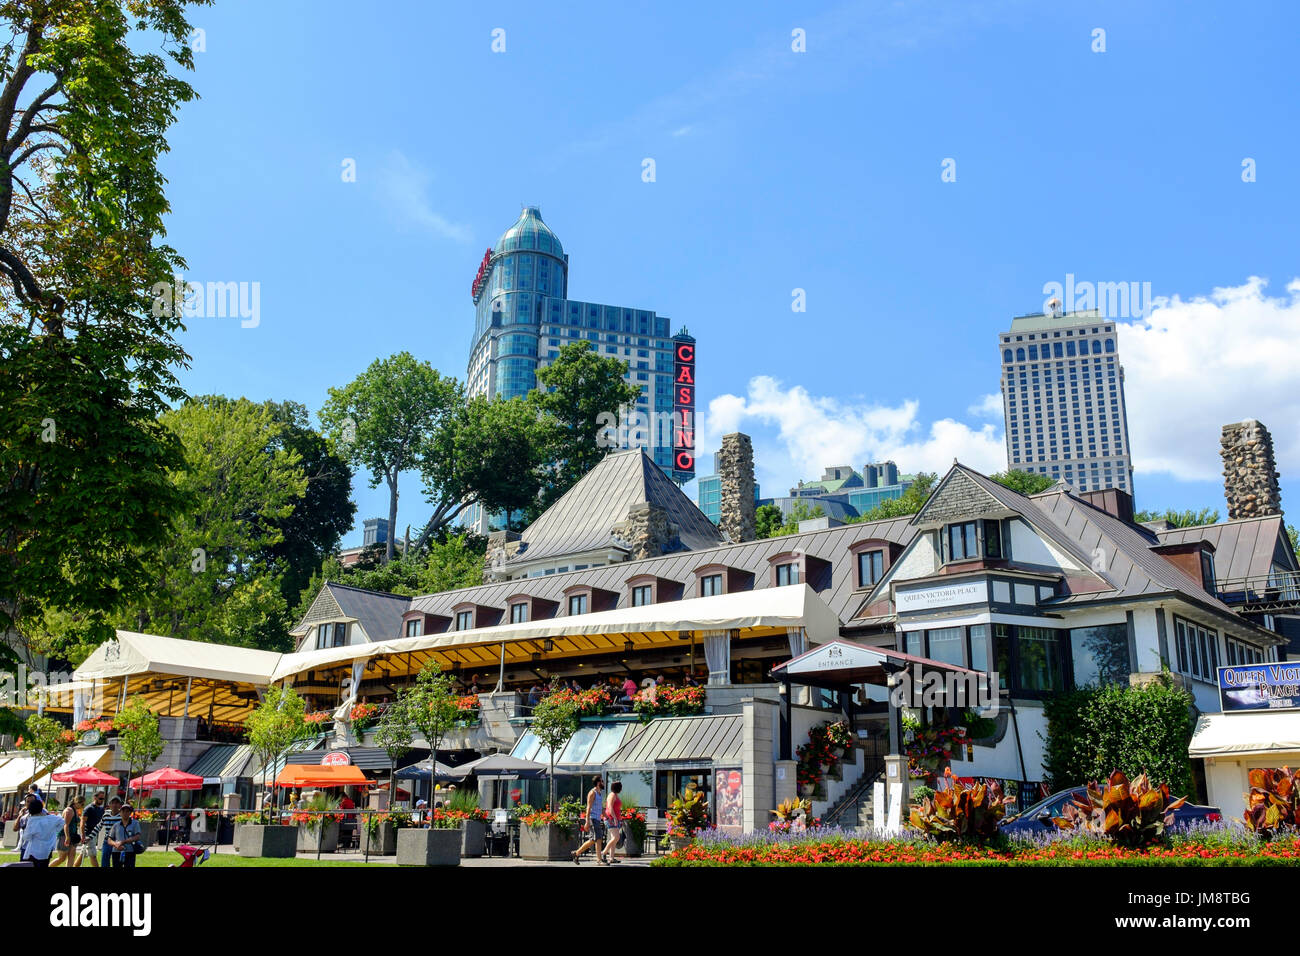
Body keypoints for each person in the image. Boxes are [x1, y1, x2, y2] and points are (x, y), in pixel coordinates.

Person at [17, 797, 63, 868]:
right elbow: (62, 821)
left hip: (33, 851)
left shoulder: (32, 821)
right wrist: (55, 830)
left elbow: (26, 837)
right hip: (47, 850)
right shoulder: (52, 818)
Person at [570, 776, 606, 865]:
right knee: (596, 839)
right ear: (598, 783)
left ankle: (576, 853)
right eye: (602, 781)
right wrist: (587, 821)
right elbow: (588, 807)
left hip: (597, 819)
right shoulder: (592, 793)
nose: (603, 783)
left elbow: (600, 808)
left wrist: (607, 817)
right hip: (593, 819)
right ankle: (598, 860)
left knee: (596, 839)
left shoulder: (599, 793)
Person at [51, 794, 85, 867]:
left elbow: (76, 823)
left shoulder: (75, 811)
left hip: (73, 835)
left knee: (72, 855)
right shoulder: (69, 810)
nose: (82, 806)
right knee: (62, 858)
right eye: (82, 804)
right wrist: (67, 837)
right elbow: (65, 825)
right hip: (64, 835)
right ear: (76, 802)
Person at [107, 804, 144, 868]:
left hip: (130, 851)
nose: (125, 813)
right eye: (123, 811)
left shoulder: (135, 823)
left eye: (127, 811)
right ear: (120, 812)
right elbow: (109, 840)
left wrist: (123, 842)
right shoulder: (116, 825)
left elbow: (137, 836)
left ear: (130, 813)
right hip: (116, 851)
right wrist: (116, 844)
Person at [91, 796, 123, 868]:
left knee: (117, 862)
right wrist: (90, 837)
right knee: (104, 861)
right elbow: (99, 826)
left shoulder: (122, 816)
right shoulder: (106, 815)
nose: (114, 805)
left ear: (120, 805)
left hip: (118, 842)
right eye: (112, 803)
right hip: (107, 841)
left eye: (117, 803)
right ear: (109, 805)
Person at [79, 792, 106, 868]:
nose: (102, 800)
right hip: (88, 835)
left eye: (103, 799)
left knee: (82, 854)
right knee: (93, 855)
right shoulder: (89, 808)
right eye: (100, 798)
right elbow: (82, 823)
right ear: (95, 798)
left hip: (95, 834)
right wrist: (83, 836)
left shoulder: (101, 809)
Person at [602, 781, 624, 863]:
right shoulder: (612, 795)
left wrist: (619, 819)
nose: (621, 789)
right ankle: (603, 852)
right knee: (616, 837)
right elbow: (610, 808)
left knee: (613, 839)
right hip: (611, 819)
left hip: (616, 819)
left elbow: (616, 808)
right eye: (621, 787)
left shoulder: (615, 795)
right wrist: (614, 818)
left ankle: (611, 858)